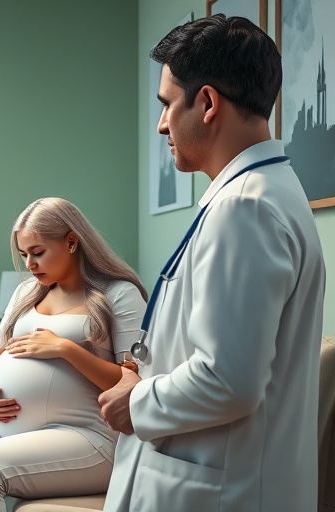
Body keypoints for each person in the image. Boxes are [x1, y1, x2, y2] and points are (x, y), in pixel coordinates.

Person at [99, 15, 325, 511]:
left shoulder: (246, 208)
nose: (161, 124)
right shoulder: (260, 195)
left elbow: (228, 380)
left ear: (206, 103)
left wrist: (135, 402)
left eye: (165, 105)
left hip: (222, 493)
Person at [0, 197, 147, 512]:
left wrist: (66, 349)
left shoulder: (119, 294)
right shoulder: (26, 293)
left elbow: (135, 384)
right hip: (10, 427)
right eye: (24, 255)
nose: (29, 264)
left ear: (72, 241)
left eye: (38, 253)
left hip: (88, 437)